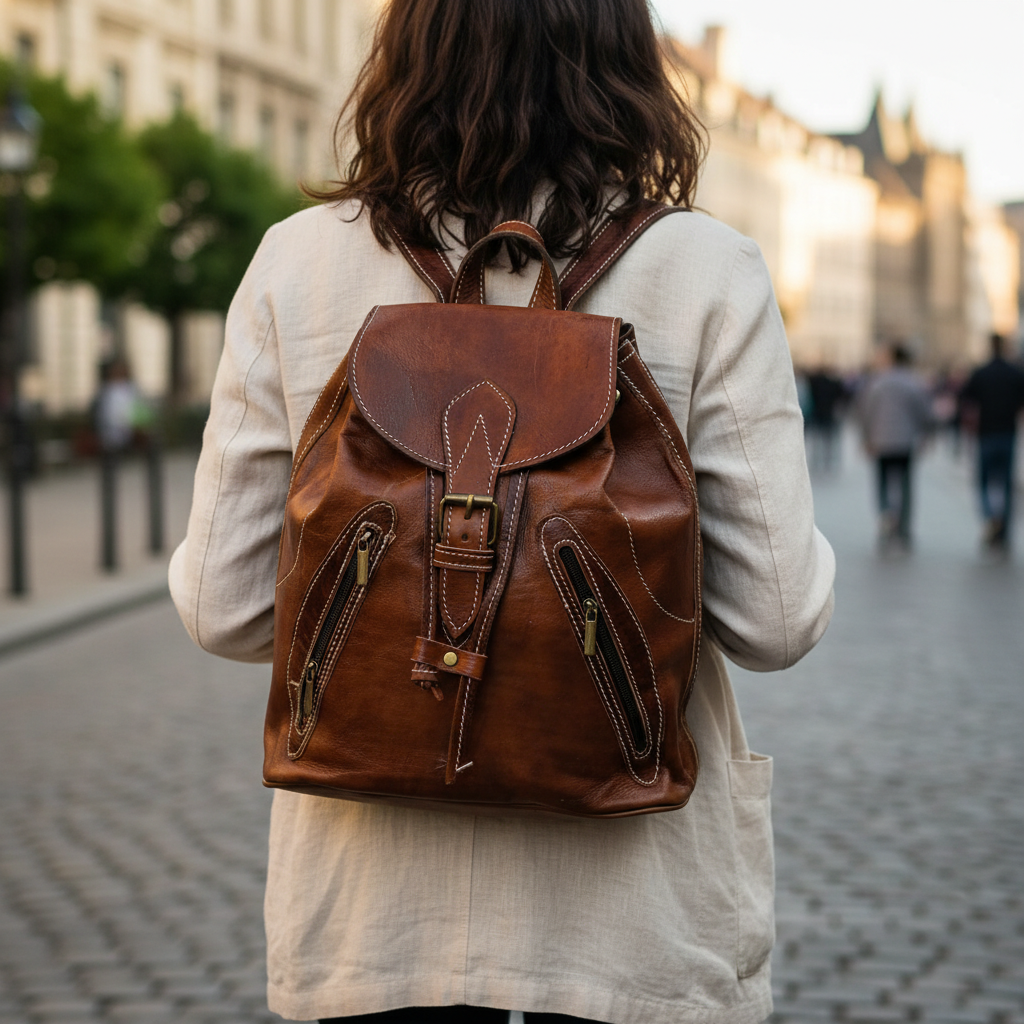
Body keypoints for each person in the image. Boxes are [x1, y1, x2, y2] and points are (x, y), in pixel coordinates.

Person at [168, 2, 835, 1022]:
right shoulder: (708, 270)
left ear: (407, 47)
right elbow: (775, 622)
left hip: (373, 931)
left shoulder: (297, 263)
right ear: (621, 53)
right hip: (632, 931)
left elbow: (223, 609)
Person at [858, 343, 934, 548]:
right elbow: (924, 412)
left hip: (880, 441)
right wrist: (927, 434)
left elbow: (866, 411)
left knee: (882, 482)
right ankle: (903, 528)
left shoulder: (878, 382)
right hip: (905, 441)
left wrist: (866, 438)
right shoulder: (914, 382)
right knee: (906, 485)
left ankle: (885, 516)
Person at [959, 333, 1024, 549]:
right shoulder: (1015, 373)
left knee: (984, 482)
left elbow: (965, 400)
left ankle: (990, 517)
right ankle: (1003, 528)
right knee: (1005, 484)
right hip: (1007, 433)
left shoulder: (981, 373)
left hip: (986, 433)